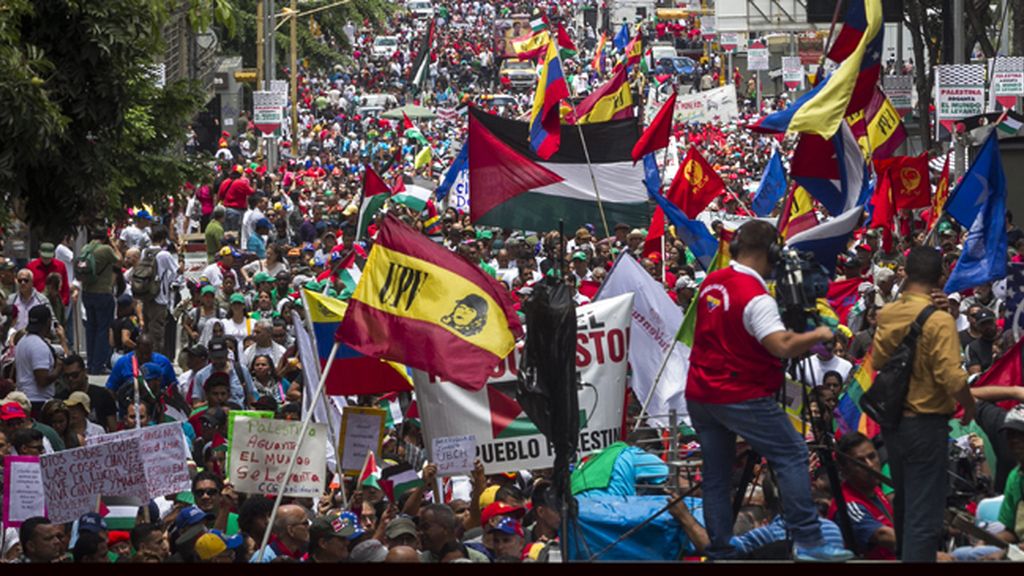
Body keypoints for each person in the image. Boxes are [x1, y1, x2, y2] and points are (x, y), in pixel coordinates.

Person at [684, 220, 851, 562]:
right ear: (771, 252)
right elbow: (782, 344)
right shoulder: (756, 298)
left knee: (716, 475)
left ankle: (721, 549)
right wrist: (817, 334)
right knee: (791, 452)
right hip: (739, 394)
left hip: (701, 394)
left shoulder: (712, 283)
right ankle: (809, 540)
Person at [871, 246, 976, 562]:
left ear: (906, 273)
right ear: (941, 277)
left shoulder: (887, 313)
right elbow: (953, 378)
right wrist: (969, 407)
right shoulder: (940, 320)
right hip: (925, 424)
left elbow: (877, 360)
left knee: (904, 505)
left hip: (893, 426)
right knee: (924, 516)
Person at [828, 432, 897, 559]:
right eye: (860, 463)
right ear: (844, 470)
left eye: (872, 457)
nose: (870, 465)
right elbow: (883, 535)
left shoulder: (875, 490)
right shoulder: (848, 505)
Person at [80, 228, 122, 375]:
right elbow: (119, 260)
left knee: (91, 328)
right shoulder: (105, 249)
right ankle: (98, 365)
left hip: (87, 293)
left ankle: (90, 363)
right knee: (103, 330)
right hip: (102, 293)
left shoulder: (85, 248)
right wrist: (113, 244)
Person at [15, 306, 65, 415]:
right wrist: (58, 368)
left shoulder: (22, 341)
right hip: (38, 401)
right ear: (48, 322)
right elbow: (42, 380)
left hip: (23, 397)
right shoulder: (39, 346)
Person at [138, 225, 180, 357]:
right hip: (159, 298)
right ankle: (155, 359)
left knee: (146, 330)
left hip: (146, 296)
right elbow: (177, 271)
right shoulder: (164, 255)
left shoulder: (145, 252)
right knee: (157, 333)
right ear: (163, 239)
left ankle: (144, 357)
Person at [54, 354, 118, 432]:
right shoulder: (60, 399)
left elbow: (113, 429)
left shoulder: (103, 395)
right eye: (66, 376)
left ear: (84, 372)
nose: (70, 379)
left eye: (75, 375)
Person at [191, 337, 256, 408]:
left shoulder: (241, 370)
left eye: (221, 357)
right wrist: (212, 402)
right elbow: (196, 405)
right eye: (215, 358)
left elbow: (251, 398)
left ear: (227, 353)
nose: (219, 361)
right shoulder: (201, 375)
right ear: (209, 355)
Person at [8, 268, 52, 333]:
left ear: (32, 282)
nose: (23, 283)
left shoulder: (42, 300)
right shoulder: (11, 299)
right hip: (14, 340)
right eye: (20, 280)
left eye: (26, 280)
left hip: (35, 338)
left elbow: (51, 320)